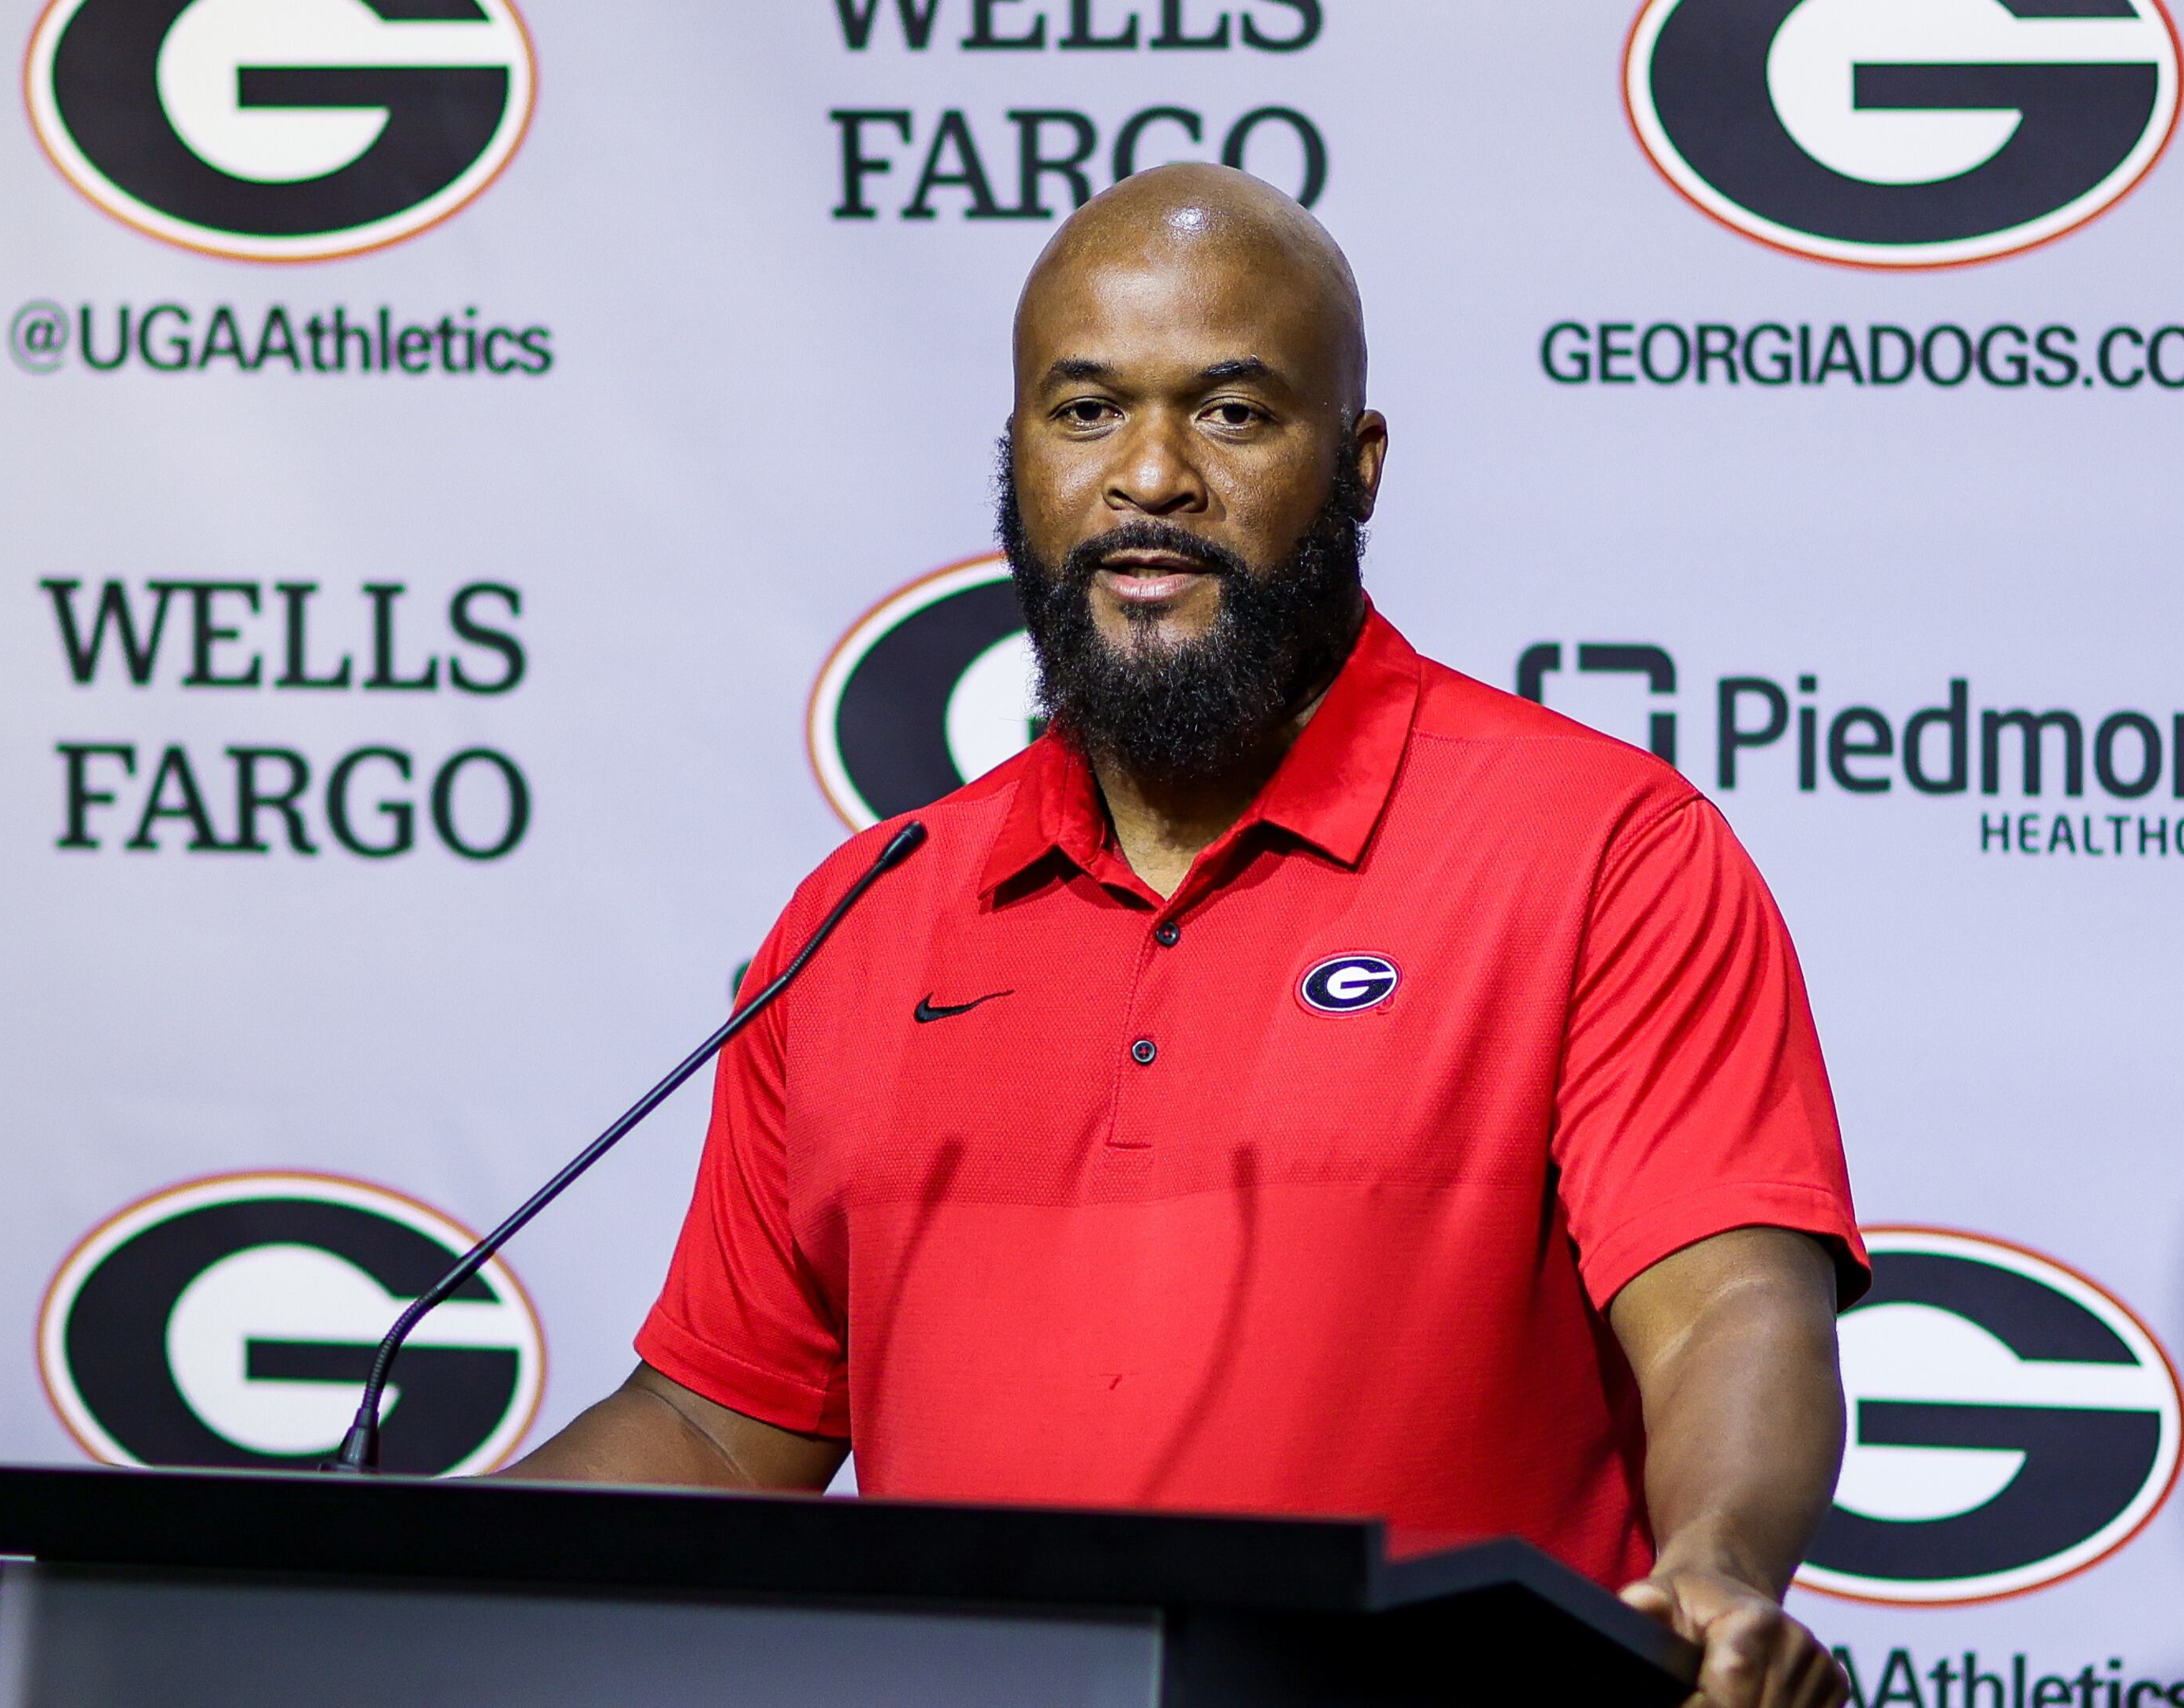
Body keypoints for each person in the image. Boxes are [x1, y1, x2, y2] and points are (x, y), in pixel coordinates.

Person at [506, 163, 1865, 1708]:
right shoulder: (869, 912)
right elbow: (713, 1429)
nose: (1149, 476)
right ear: (1014, 459)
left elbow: (1725, 1309)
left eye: (1230, 411)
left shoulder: (1600, 852)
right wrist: (379, 1577)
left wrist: (1722, 1561)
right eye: (1085, 412)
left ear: (1357, 465)